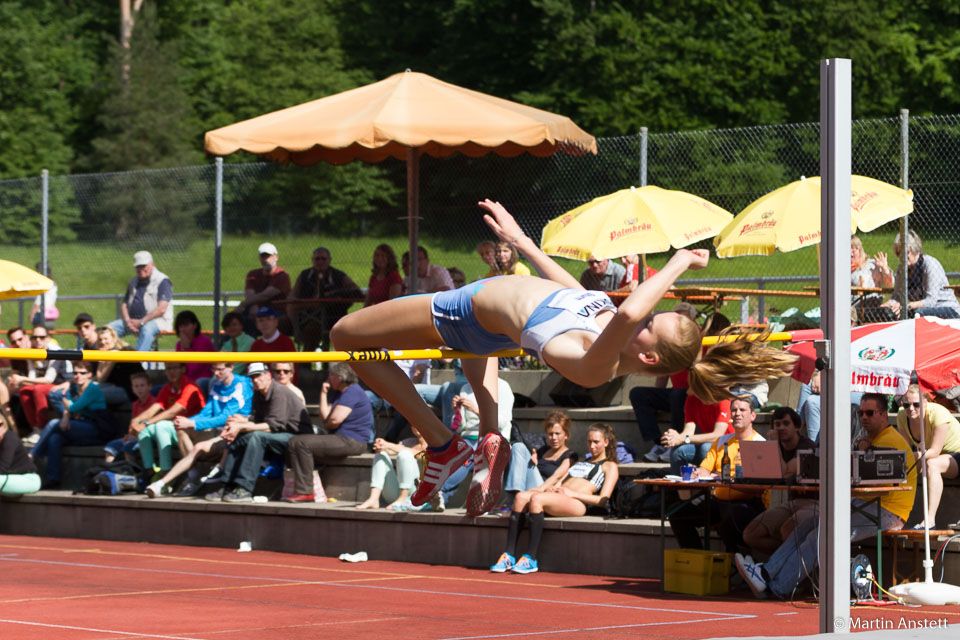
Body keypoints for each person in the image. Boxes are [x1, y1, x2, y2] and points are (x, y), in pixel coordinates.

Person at [330, 198, 796, 518]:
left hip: (464, 313)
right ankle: (490, 436)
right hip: (490, 326)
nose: (644, 316)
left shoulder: (597, 361)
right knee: (476, 355)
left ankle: (441, 442)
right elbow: (564, 289)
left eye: (652, 325)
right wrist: (523, 241)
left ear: (649, 355)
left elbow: (634, 305)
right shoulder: (609, 321)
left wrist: (676, 263)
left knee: (345, 335)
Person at [736, 393, 917, 599]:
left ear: (884, 415)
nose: (864, 417)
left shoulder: (891, 441)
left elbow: (875, 482)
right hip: (864, 504)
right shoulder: (868, 440)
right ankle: (766, 573)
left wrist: (863, 453)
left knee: (821, 536)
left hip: (888, 512)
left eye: (870, 413)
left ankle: (778, 586)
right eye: (861, 413)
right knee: (806, 526)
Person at [490, 423, 619, 574]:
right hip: (560, 496)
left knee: (537, 499)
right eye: (589, 441)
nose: (592, 446)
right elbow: (560, 481)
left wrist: (572, 494)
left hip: (578, 503)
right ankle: (509, 555)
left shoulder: (609, 466)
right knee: (520, 497)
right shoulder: (582, 462)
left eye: (596, 442)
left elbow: (603, 500)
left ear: (606, 442)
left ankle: (531, 558)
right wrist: (551, 488)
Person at [668, 396, 767, 552]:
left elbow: (759, 489)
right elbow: (705, 470)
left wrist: (727, 482)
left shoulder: (759, 443)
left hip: (746, 503)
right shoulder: (722, 441)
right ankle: (698, 559)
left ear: (752, 416)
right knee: (678, 513)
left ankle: (737, 566)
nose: (737, 414)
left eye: (742, 410)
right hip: (718, 500)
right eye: (733, 410)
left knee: (732, 518)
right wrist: (696, 473)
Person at [205, 362, 312, 503]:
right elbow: (257, 419)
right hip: (277, 434)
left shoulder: (279, 392)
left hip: (296, 438)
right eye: (253, 377)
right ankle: (228, 485)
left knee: (256, 437)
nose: (256, 380)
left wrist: (242, 426)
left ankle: (244, 488)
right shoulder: (258, 393)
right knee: (241, 436)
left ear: (268, 375)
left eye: (259, 376)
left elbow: (274, 426)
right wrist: (240, 421)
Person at [145, 362, 254, 498]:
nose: (216, 373)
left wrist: (192, 423)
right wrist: (187, 422)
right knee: (182, 430)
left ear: (231, 367)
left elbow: (225, 417)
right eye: (213, 369)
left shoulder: (241, 385)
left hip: (230, 433)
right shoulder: (217, 385)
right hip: (216, 431)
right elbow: (206, 413)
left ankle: (162, 483)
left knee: (197, 447)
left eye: (220, 370)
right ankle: (193, 474)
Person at [283, 363, 373, 502]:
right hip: (339, 438)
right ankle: (302, 488)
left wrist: (329, 421)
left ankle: (305, 491)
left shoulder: (353, 391)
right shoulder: (338, 393)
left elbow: (334, 420)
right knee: (294, 442)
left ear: (341, 377)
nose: (328, 378)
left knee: (300, 443)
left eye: (331, 375)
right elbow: (325, 418)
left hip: (352, 441)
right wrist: (323, 393)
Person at [29, 361, 121, 489]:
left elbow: (73, 407)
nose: (78, 376)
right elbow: (60, 400)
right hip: (80, 428)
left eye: (82, 373)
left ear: (89, 374)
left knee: (54, 423)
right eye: (75, 373)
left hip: (96, 430)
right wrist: (66, 415)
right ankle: (53, 479)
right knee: (55, 439)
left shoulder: (92, 389)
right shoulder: (75, 389)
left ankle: (32, 455)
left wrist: (67, 413)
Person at [741, 407, 817, 555]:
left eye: (786, 423)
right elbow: (761, 475)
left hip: (814, 503)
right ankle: (787, 556)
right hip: (791, 503)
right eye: (777, 424)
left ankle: (783, 562)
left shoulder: (807, 446)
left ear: (797, 427)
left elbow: (785, 473)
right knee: (750, 534)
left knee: (786, 530)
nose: (781, 428)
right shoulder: (776, 446)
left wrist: (773, 445)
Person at [895, 384, 960, 529]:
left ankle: (929, 521)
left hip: (955, 455)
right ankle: (895, 516)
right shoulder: (902, 415)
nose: (910, 409)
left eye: (916, 404)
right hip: (934, 456)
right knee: (902, 467)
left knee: (932, 464)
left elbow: (934, 451)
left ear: (925, 402)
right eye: (906, 405)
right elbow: (906, 450)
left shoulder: (938, 414)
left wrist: (914, 455)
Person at [128, 362, 205, 475]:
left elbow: (173, 411)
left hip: (194, 430)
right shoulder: (167, 388)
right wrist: (135, 421)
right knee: (143, 431)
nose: (171, 372)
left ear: (183, 369)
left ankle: (165, 472)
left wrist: (146, 422)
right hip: (176, 430)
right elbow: (154, 408)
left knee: (161, 425)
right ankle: (150, 472)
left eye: (174, 368)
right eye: (168, 369)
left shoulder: (190, 387)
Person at [289, 246, 362, 351]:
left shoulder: (338, 276)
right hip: (306, 317)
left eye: (323, 259)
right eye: (317, 259)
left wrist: (335, 294)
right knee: (305, 328)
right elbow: (292, 298)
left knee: (315, 330)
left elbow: (357, 292)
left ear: (329, 260)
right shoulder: (304, 276)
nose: (320, 262)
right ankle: (303, 364)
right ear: (312, 260)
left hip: (334, 317)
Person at [879, 229, 960, 320]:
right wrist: (885, 306)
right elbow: (896, 297)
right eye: (899, 253)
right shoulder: (902, 269)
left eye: (906, 252)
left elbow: (931, 301)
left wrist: (905, 306)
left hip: (948, 310)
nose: (902, 256)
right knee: (890, 315)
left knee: (917, 313)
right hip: (922, 310)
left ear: (915, 249)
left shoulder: (930, 264)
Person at [108, 251, 174, 352]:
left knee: (147, 329)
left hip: (158, 321)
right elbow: (124, 305)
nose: (140, 269)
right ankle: (106, 361)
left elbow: (162, 309)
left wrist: (142, 322)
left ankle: (137, 363)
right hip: (133, 322)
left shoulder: (162, 280)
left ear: (152, 264)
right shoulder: (133, 281)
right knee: (109, 330)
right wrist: (128, 322)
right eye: (138, 266)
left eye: (143, 265)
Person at [504, 410, 579, 498]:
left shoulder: (570, 455)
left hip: (544, 490)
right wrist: (531, 461)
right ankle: (515, 494)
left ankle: (515, 499)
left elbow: (557, 476)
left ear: (566, 435)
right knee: (518, 446)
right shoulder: (542, 450)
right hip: (530, 486)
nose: (554, 438)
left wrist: (541, 488)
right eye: (550, 434)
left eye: (557, 434)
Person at [15, 326, 73, 433]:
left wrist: (22, 379)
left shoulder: (55, 351)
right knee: (24, 391)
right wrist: (19, 382)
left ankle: (42, 427)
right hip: (47, 384)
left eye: (41, 337)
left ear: (48, 338)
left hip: (62, 384)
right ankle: (35, 428)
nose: (38, 340)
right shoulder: (32, 351)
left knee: (38, 390)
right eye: (35, 337)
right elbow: (32, 376)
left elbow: (48, 379)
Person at [356, 425, 428, 510]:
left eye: (418, 422)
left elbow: (420, 454)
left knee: (404, 454)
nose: (415, 426)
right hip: (394, 494)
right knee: (381, 454)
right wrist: (381, 447)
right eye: (412, 423)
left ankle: (403, 498)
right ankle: (374, 498)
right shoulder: (409, 442)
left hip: (417, 494)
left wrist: (388, 445)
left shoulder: (434, 445)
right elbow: (392, 450)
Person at [662, 391, 732, 475]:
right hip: (708, 446)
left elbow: (717, 435)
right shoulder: (692, 399)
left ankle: (713, 484)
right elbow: (688, 432)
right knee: (678, 450)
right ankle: (680, 486)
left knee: (706, 448)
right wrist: (673, 437)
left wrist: (682, 439)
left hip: (728, 449)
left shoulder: (723, 400)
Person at [235, 242, 291, 334]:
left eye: (268, 256)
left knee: (261, 321)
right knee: (234, 320)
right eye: (263, 256)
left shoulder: (282, 275)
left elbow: (265, 295)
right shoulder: (253, 274)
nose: (265, 260)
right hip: (256, 312)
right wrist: (253, 306)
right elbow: (249, 294)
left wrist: (243, 305)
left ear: (276, 257)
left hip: (277, 313)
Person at [93, 325, 144, 405]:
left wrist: (101, 356)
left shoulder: (116, 352)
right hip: (118, 386)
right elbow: (98, 378)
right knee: (89, 389)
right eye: (100, 339)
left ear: (113, 338)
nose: (102, 342)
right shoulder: (111, 351)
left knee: (93, 394)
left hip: (131, 390)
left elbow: (101, 378)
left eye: (106, 339)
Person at [850, 235, 893, 323]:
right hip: (850, 309)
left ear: (860, 250)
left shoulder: (871, 266)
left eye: (854, 249)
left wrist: (885, 269)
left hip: (868, 310)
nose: (850, 253)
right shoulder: (842, 269)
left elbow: (890, 284)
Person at [173, 310, 216, 394]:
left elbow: (194, 370)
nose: (182, 330)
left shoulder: (204, 341)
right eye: (180, 326)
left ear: (195, 325)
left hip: (203, 381)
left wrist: (186, 348)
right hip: (184, 382)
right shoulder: (179, 345)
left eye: (186, 325)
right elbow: (178, 369)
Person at [0, 413, 40, 496]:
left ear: (4, 425)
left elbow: (2, 468)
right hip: (9, 478)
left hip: (29, 479)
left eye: (0, 424)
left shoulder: (10, 438)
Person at [218, 311, 255, 376]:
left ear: (242, 325)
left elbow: (239, 367)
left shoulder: (250, 342)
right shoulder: (226, 344)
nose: (231, 328)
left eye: (234, 324)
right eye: (228, 326)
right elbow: (219, 364)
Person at [29, 263, 58, 330]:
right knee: (47, 336)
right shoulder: (53, 283)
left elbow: (39, 301)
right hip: (49, 314)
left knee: (39, 335)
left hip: (40, 314)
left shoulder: (43, 282)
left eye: (38, 271)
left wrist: (32, 314)